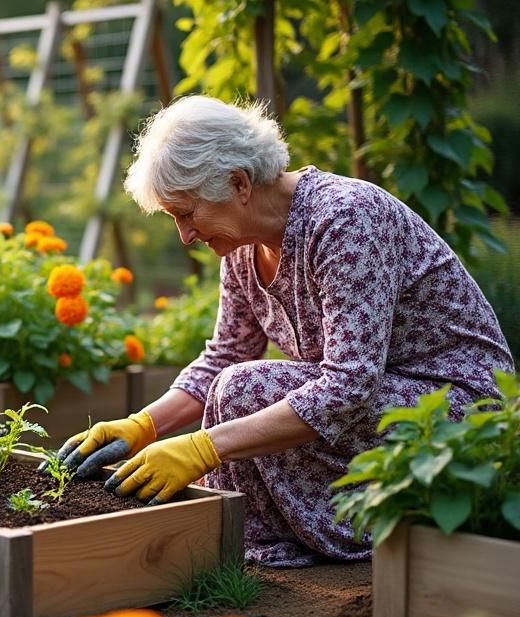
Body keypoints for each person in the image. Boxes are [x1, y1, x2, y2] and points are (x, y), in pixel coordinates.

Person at [53, 95, 514, 567]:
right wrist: (142, 426)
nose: (185, 236)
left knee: (243, 391)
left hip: (458, 413)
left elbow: (350, 383)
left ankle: (340, 535)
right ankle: (254, 549)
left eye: (187, 214)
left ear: (238, 183)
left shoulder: (344, 219)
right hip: (383, 407)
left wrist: (204, 447)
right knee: (236, 386)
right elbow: (224, 355)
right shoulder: (241, 246)